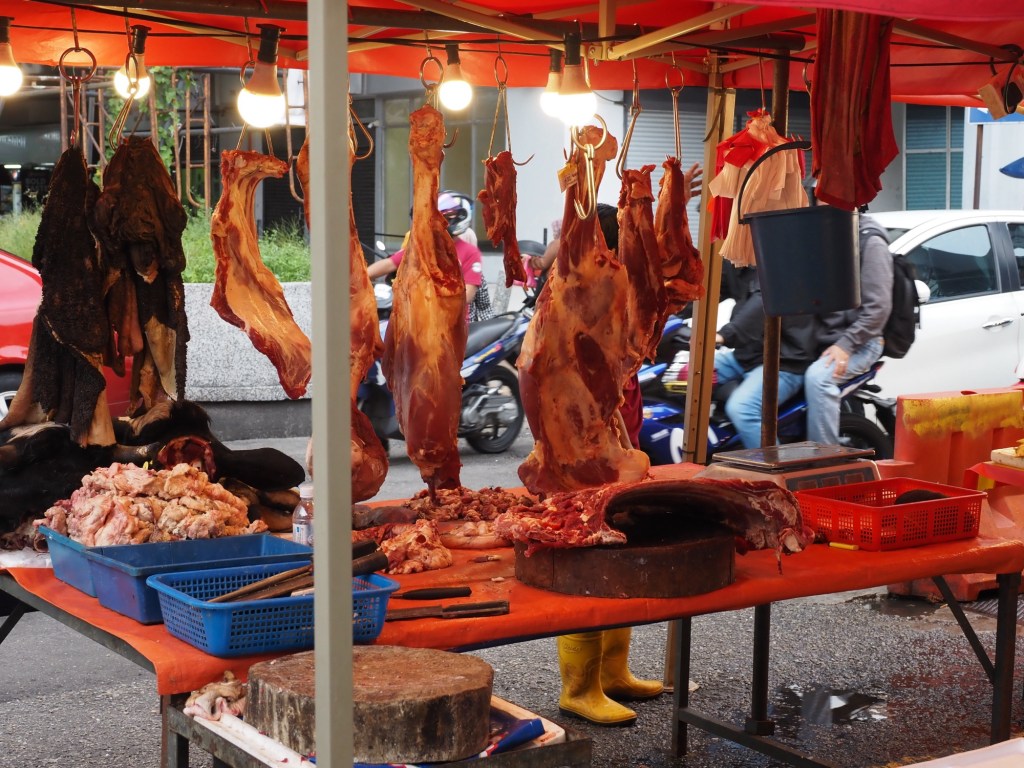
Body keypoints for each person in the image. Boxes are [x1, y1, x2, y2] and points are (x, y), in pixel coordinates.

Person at [555, 203, 662, 729]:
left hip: (621, 443)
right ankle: (579, 688)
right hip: (580, 450)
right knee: (588, 562)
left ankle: (614, 672)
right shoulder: (573, 297)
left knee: (619, 554)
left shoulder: (616, 293)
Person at [804, 212, 893, 445]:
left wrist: (846, 345)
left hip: (860, 343)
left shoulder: (870, 241)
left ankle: (825, 458)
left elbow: (878, 308)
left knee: (818, 379)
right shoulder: (825, 232)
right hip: (825, 337)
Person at [713, 278, 819, 449]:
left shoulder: (775, 267)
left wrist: (724, 335)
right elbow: (708, 288)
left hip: (784, 361)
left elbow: (761, 304)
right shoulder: (738, 267)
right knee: (684, 377)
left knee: (742, 409)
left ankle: (773, 463)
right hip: (745, 355)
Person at [366, 191, 494, 322]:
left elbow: (468, 295)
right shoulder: (421, 247)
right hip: (418, 318)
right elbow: (390, 263)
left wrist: (429, 294)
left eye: (444, 218)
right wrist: (361, 278)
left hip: (452, 323)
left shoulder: (470, 252)